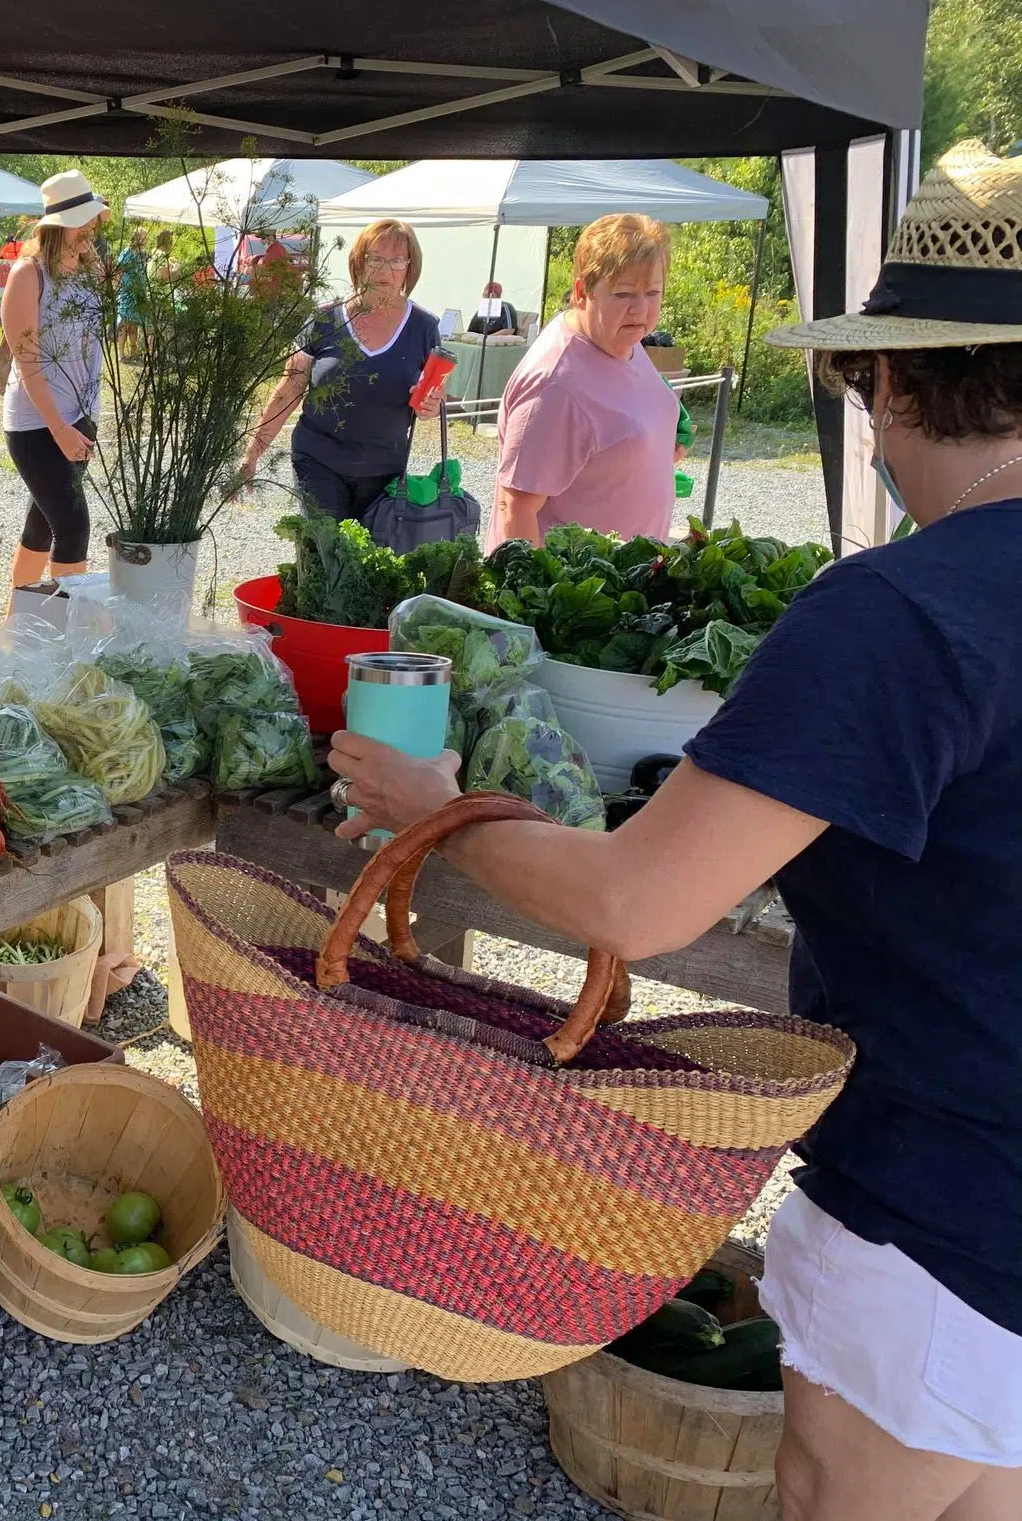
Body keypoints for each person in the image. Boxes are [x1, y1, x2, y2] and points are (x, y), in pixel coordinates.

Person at [326, 139, 1022, 1521]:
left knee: (848, 1491)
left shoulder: (898, 610)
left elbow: (643, 905)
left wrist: (441, 813)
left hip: (954, 1208)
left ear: (889, 378)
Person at [493, 213, 682, 544]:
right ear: (582, 292)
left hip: (631, 582)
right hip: (580, 590)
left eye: (653, 292)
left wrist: (657, 443)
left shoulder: (622, 338)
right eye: (623, 294)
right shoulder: (554, 385)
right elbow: (516, 509)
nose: (640, 309)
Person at [237, 218, 443, 520]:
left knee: (367, 561)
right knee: (325, 551)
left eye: (397, 261)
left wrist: (430, 405)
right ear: (359, 263)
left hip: (385, 469)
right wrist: (251, 456)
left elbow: (435, 397)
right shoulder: (324, 320)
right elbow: (289, 389)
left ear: (410, 268)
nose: (385, 270)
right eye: (375, 258)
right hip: (319, 459)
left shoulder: (425, 328)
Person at [0, 170, 105, 594]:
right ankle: (67, 634)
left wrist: (80, 421)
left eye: (93, 219)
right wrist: (59, 427)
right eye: (84, 222)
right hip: (37, 423)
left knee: (41, 525)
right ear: (58, 227)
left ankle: (16, 627)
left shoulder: (90, 270)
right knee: (73, 524)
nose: (92, 229)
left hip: (80, 415)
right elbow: (28, 362)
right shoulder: (29, 274)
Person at [114, 223, 149, 356]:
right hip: (127, 291)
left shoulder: (144, 254)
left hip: (139, 292)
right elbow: (119, 271)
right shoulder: (126, 253)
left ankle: (134, 350)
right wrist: (117, 287)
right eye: (145, 237)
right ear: (138, 238)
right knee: (124, 322)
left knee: (135, 322)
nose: (146, 240)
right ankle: (121, 353)